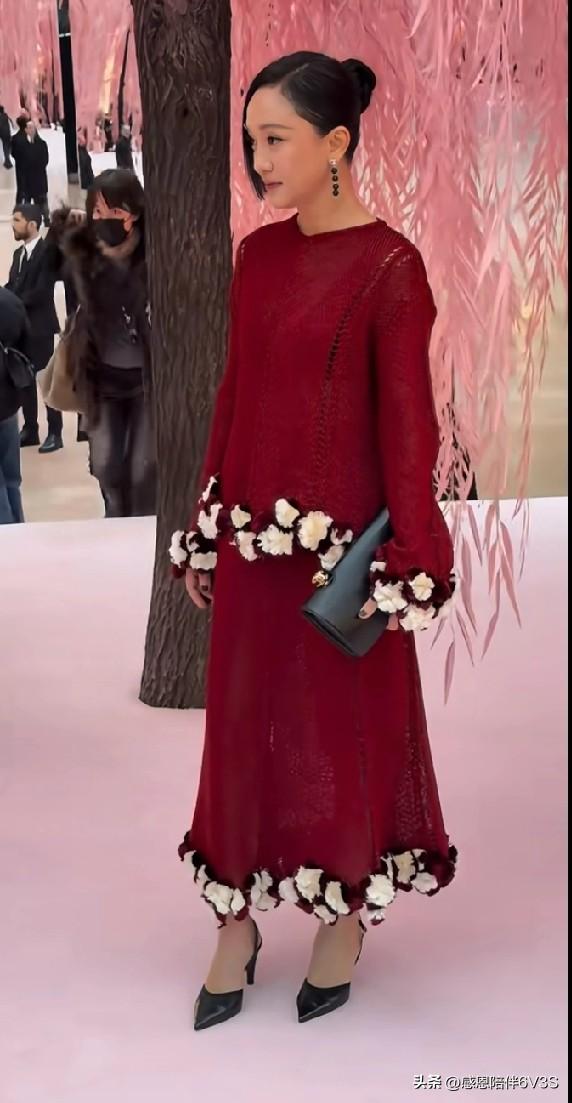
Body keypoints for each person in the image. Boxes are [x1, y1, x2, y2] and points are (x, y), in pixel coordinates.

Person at [170, 52, 457, 1032]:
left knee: (340, 731)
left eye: (275, 139)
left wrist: (410, 561)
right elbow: (234, 395)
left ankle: (342, 912)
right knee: (240, 730)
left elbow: (410, 429)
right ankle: (234, 921)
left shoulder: (390, 269)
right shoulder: (257, 258)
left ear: (335, 143)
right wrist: (206, 525)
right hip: (253, 548)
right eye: (251, 141)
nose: (258, 160)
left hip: (344, 568)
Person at [58, 170, 155, 516]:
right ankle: (114, 516)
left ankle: (140, 525)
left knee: (142, 470)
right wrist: (64, 229)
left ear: (135, 213)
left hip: (147, 382)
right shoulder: (85, 255)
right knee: (105, 465)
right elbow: (47, 264)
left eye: (115, 211)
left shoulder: (154, 254)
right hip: (102, 379)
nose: (105, 220)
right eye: (98, 212)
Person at [6, 204, 63, 452]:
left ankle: (55, 432)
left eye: (17, 220)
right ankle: (31, 429)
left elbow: (41, 291)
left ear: (32, 224)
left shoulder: (47, 252)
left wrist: (13, 302)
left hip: (40, 328)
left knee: (44, 380)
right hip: (21, 328)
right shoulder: (18, 254)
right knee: (24, 380)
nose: (13, 225)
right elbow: (12, 284)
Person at [0, 288, 30, 523]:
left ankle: (6, 530)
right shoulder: (10, 301)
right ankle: (18, 526)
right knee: (11, 477)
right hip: (8, 400)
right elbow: (26, 346)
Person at [22, 121, 50, 227]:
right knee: (28, 202)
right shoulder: (24, 145)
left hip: (39, 177)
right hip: (28, 179)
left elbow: (45, 160)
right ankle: (29, 221)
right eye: (28, 128)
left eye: (32, 127)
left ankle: (46, 219)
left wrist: (33, 164)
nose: (30, 130)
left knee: (42, 200)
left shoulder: (42, 144)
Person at [10, 116, 29, 203]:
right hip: (29, 164)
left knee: (20, 186)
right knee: (29, 185)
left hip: (19, 164)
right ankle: (28, 204)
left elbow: (12, 152)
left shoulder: (14, 138)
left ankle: (19, 205)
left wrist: (18, 158)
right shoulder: (29, 137)